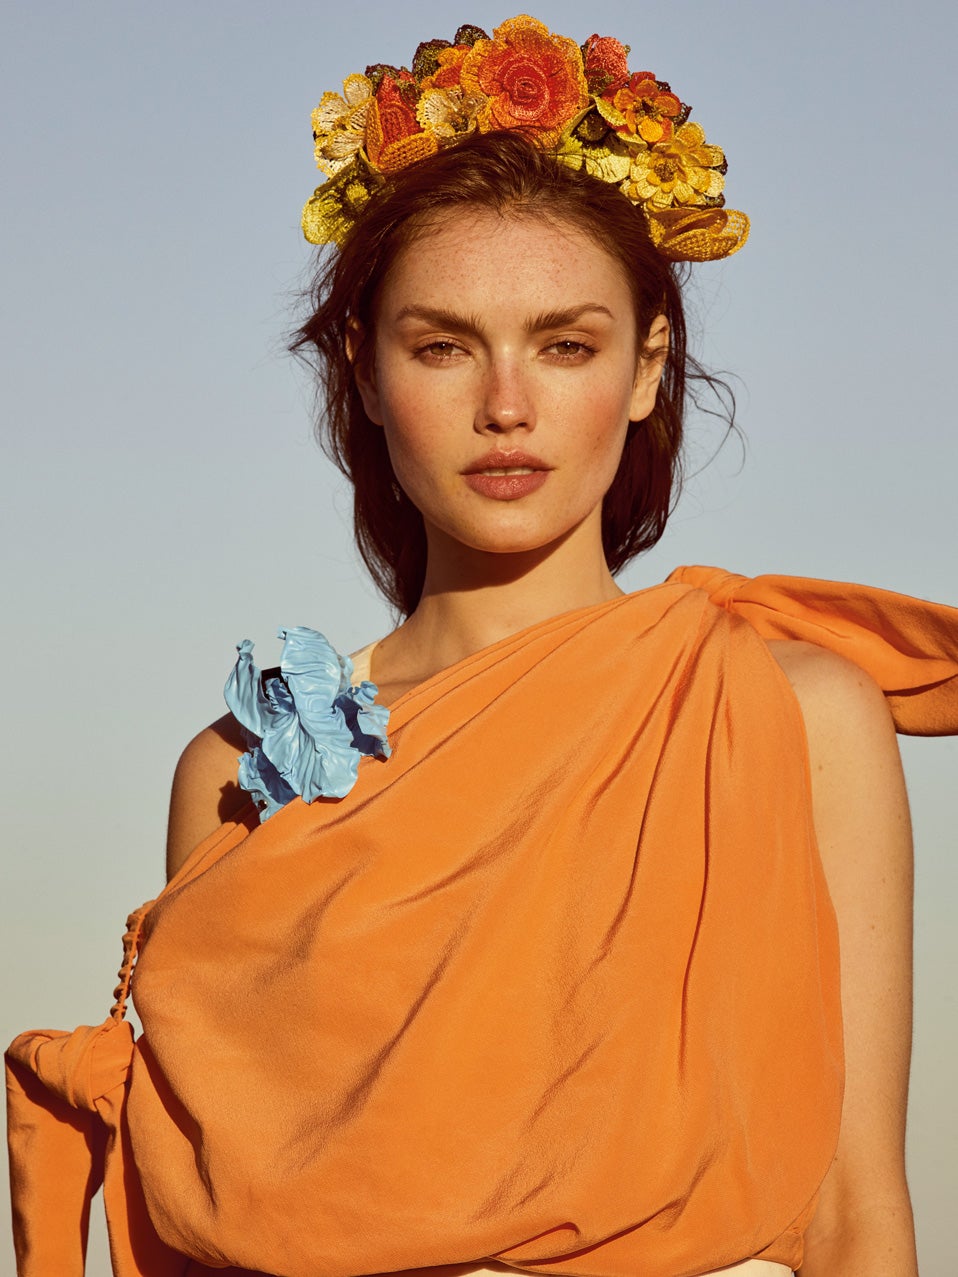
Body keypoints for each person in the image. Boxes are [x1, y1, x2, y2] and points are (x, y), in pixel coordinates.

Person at [7, 15, 958, 1277]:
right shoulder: (237, 766)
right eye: (442, 344)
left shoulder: (789, 708)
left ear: (643, 369)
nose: (505, 403)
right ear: (361, 366)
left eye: (565, 344)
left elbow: (850, 1213)